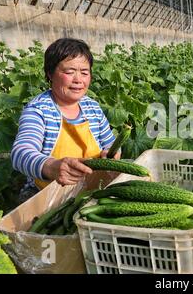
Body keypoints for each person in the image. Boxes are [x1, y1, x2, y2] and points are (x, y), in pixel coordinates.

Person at [11, 38, 119, 203]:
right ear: (50, 73)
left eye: (84, 72)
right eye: (69, 72)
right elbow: (20, 153)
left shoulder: (92, 108)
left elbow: (110, 144)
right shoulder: (38, 111)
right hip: (48, 194)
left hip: (92, 189)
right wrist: (51, 166)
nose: (78, 79)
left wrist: (111, 153)